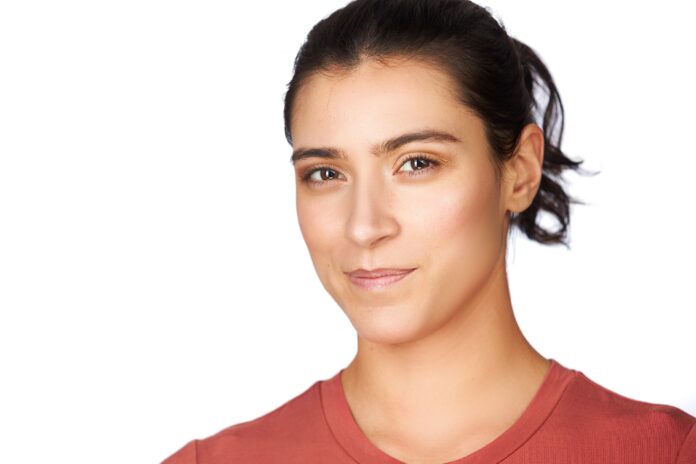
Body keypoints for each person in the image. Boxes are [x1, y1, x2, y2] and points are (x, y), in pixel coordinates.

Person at [161, 0, 696, 462]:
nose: (364, 226)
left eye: (416, 163)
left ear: (520, 171)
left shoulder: (666, 453)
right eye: (326, 174)